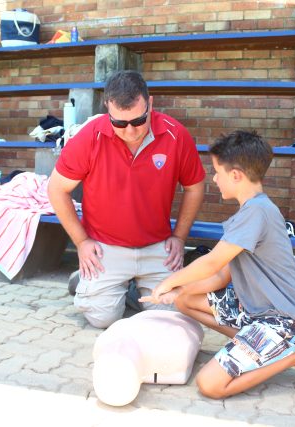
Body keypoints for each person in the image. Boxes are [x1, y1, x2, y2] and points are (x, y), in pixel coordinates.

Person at [140, 130, 295, 399]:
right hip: (254, 311)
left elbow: (211, 262)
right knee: (185, 300)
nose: (214, 179)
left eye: (217, 172)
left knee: (210, 384)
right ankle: (254, 346)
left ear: (236, 175)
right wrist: (178, 291)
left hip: (282, 321)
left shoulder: (257, 212)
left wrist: (168, 282)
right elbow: (220, 277)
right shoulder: (250, 212)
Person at [47, 70, 205, 328]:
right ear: (107, 109)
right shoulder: (89, 136)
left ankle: (129, 289)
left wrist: (179, 237)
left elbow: (195, 187)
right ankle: (87, 282)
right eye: (119, 123)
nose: (130, 131)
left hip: (157, 247)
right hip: (105, 247)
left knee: (171, 317)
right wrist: (82, 242)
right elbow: (56, 189)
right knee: (102, 318)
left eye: (138, 120)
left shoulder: (176, 134)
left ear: (150, 103)